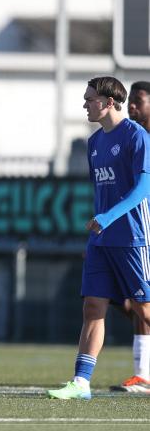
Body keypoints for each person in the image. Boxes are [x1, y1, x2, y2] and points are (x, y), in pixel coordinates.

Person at [48, 76, 150, 400]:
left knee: (144, 310)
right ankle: (81, 382)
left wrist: (108, 217)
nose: (85, 104)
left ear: (108, 102)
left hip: (132, 236)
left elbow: (144, 188)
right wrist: (97, 228)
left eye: (90, 99)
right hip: (101, 241)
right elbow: (101, 194)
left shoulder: (137, 136)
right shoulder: (94, 143)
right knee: (93, 306)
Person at [109, 81, 150, 393]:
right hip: (130, 229)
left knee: (141, 301)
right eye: (131, 100)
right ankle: (142, 373)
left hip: (143, 229)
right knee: (136, 301)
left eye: (138, 100)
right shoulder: (131, 138)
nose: (132, 106)